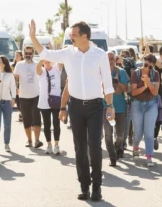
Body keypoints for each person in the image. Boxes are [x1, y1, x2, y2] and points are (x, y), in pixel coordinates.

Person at [29, 20, 114, 202]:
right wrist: (33, 38)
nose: (70, 37)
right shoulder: (68, 53)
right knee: (79, 147)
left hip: (95, 107)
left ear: (84, 37)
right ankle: (84, 186)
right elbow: (45, 53)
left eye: (74, 35)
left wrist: (110, 106)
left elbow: (107, 83)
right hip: (75, 107)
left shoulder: (99, 55)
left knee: (95, 147)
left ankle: (97, 187)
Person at [130, 54, 160, 166]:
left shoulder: (155, 74)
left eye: (150, 65)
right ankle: (136, 146)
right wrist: (145, 86)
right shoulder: (135, 74)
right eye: (146, 64)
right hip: (137, 104)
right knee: (138, 132)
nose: (147, 67)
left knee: (149, 132)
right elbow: (133, 92)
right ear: (143, 62)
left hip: (151, 104)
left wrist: (148, 82)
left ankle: (149, 156)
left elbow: (155, 92)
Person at [13, 45, 44, 149]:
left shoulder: (37, 64)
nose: (28, 55)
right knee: (26, 119)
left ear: (33, 54)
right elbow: (15, 78)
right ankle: (29, 140)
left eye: (30, 53)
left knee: (36, 118)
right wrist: (15, 89)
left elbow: (43, 76)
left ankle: (37, 140)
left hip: (36, 95)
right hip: (23, 96)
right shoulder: (19, 65)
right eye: (26, 53)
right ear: (23, 54)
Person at [103, 52, 128, 166]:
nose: (110, 61)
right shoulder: (101, 72)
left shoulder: (121, 72)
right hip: (105, 107)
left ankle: (118, 147)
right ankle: (112, 157)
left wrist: (117, 82)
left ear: (115, 59)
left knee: (120, 136)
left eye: (112, 58)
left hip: (120, 108)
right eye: (108, 59)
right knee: (108, 134)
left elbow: (125, 88)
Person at [36, 60, 64, 154]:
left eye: (49, 62)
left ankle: (56, 145)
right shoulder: (42, 72)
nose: (47, 64)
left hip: (55, 101)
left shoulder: (56, 69)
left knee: (56, 123)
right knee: (47, 124)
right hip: (44, 102)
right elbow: (37, 69)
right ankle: (49, 145)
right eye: (45, 62)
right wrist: (42, 59)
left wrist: (53, 54)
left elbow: (61, 60)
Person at [0, 55, 17, 153]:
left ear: (4, 64)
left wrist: (13, 98)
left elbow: (13, 87)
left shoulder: (9, 75)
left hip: (7, 101)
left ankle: (7, 143)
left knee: (7, 124)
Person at [12, 50, 24, 122]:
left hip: (22, 85)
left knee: (21, 100)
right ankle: (20, 113)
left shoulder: (23, 65)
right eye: (15, 55)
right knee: (17, 100)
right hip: (14, 85)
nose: (16, 57)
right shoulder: (12, 66)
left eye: (17, 55)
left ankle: (22, 114)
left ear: (21, 56)